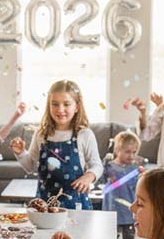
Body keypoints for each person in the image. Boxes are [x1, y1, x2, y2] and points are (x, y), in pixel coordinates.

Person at [10, 80, 102, 210]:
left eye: (66, 104)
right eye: (55, 104)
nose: (60, 109)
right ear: (49, 106)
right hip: (44, 204)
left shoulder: (84, 134)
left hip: (75, 204)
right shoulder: (41, 134)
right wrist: (20, 153)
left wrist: (89, 176)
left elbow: (97, 165)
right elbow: (30, 166)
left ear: (77, 106)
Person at [102, 131, 146, 239]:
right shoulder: (109, 166)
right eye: (127, 152)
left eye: (134, 152)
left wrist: (143, 175)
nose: (131, 156)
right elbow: (102, 177)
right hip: (112, 211)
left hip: (129, 212)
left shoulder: (135, 168)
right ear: (117, 150)